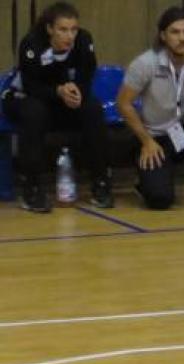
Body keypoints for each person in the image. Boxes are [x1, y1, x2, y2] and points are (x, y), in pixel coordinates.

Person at [2, 2, 112, 212]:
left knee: (92, 108)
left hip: (63, 100)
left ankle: (101, 182)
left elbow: (86, 75)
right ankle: (32, 188)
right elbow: (31, 85)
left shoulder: (83, 41)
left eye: (73, 29)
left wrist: (76, 92)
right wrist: (58, 91)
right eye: (63, 30)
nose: (70, 36)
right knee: (34, 113)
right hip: (26, 97)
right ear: (49, 29)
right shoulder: (32, 44)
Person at [115, 7, 184, 211]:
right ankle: (145, 182)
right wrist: (146, 141)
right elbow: (123, 103)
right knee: (159, 200)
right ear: (163, 36)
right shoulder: (146, 62)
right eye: (175, 32)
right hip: (156, 137)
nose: (182, 38)